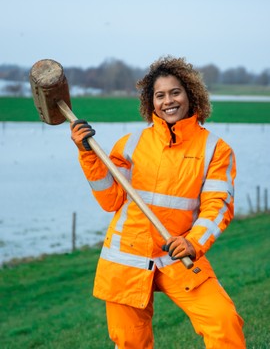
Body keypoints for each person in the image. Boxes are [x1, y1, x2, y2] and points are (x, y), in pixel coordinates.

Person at [70, 56, 246, 348]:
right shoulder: (130, 144)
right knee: (130, 342)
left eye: (175, 92)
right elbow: (111, 200)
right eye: (159, 95)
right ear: (150, 102)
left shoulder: (215, 148)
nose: (168, 101)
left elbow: (219, 205)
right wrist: (87, 154)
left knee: (223, 321)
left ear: (190, 93)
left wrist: (194, 242)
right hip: (127, 257)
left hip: (178, 255)